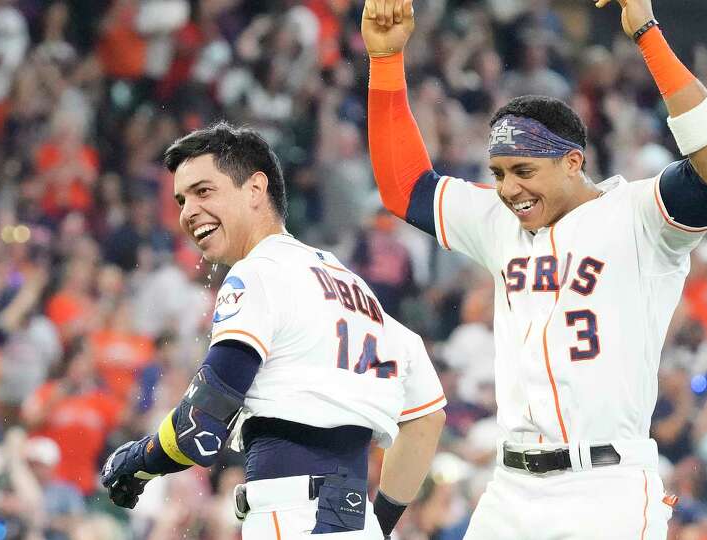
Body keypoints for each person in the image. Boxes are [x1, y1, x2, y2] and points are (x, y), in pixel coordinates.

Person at [361, 0, 707, 538]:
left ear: (572, 161)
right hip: (510, 489)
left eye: (523, 170)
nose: (509, 188)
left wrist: (647, 33)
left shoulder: (638, 217)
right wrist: (386, 61)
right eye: (498, 173)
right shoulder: (499, 220)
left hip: (605, 486)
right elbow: (405, 188)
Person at [100, 122, 447, 539]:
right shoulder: (356, 289)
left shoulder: (258, 273)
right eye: (181, 199)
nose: (187, 211)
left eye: (203, 191)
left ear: (254, 188)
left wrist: (137, 460)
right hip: (355, 522)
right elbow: (427, 417)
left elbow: (201, 425)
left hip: (291, 516)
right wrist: (378, 523)